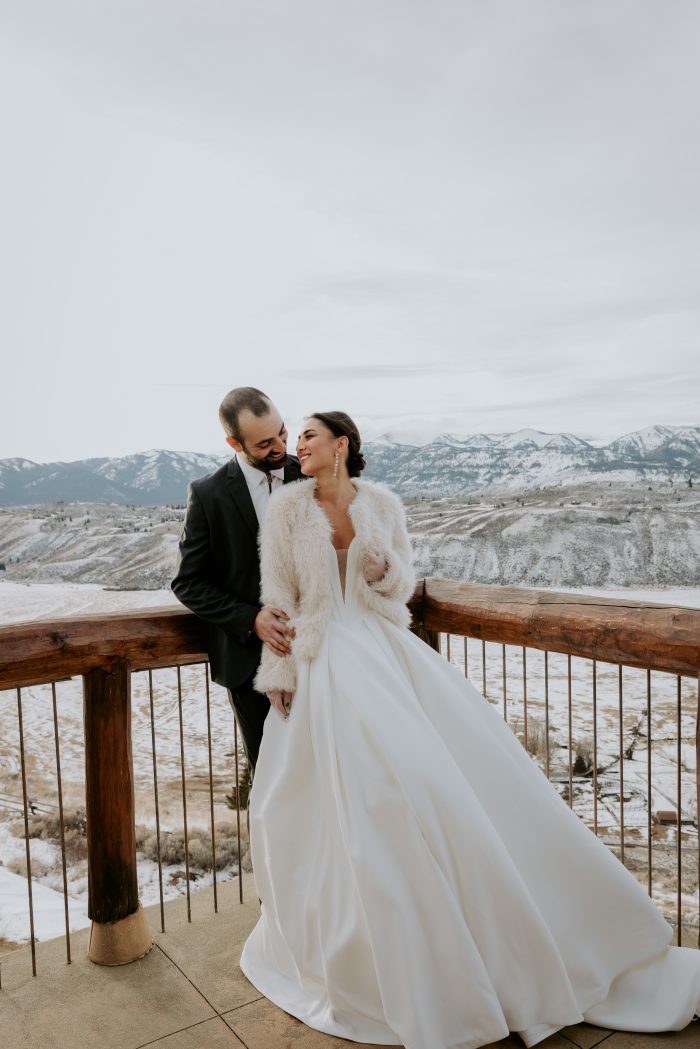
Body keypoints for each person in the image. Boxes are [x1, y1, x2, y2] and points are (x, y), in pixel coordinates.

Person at [239, 410, 700, 1049]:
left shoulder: (381, 503)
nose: (300, 446)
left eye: (311, 436)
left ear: (340, 445)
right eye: (299, 440)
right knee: (331, 803)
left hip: (379, 648)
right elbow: (278, 600)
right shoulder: (286, 512)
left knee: (430, 782)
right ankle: (358, 951)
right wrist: (279, 672)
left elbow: (401, 584)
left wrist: (379, 573)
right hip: (321, 661)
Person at [171, 387, 302, 772]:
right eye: (265, 443)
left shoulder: (309, 475)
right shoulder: (208, 494)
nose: (280, 447)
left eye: (282, 433)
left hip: (320, 651)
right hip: (250, 667)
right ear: (233, 442)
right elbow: (188, 582)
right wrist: (250, 619)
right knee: (271, 778)